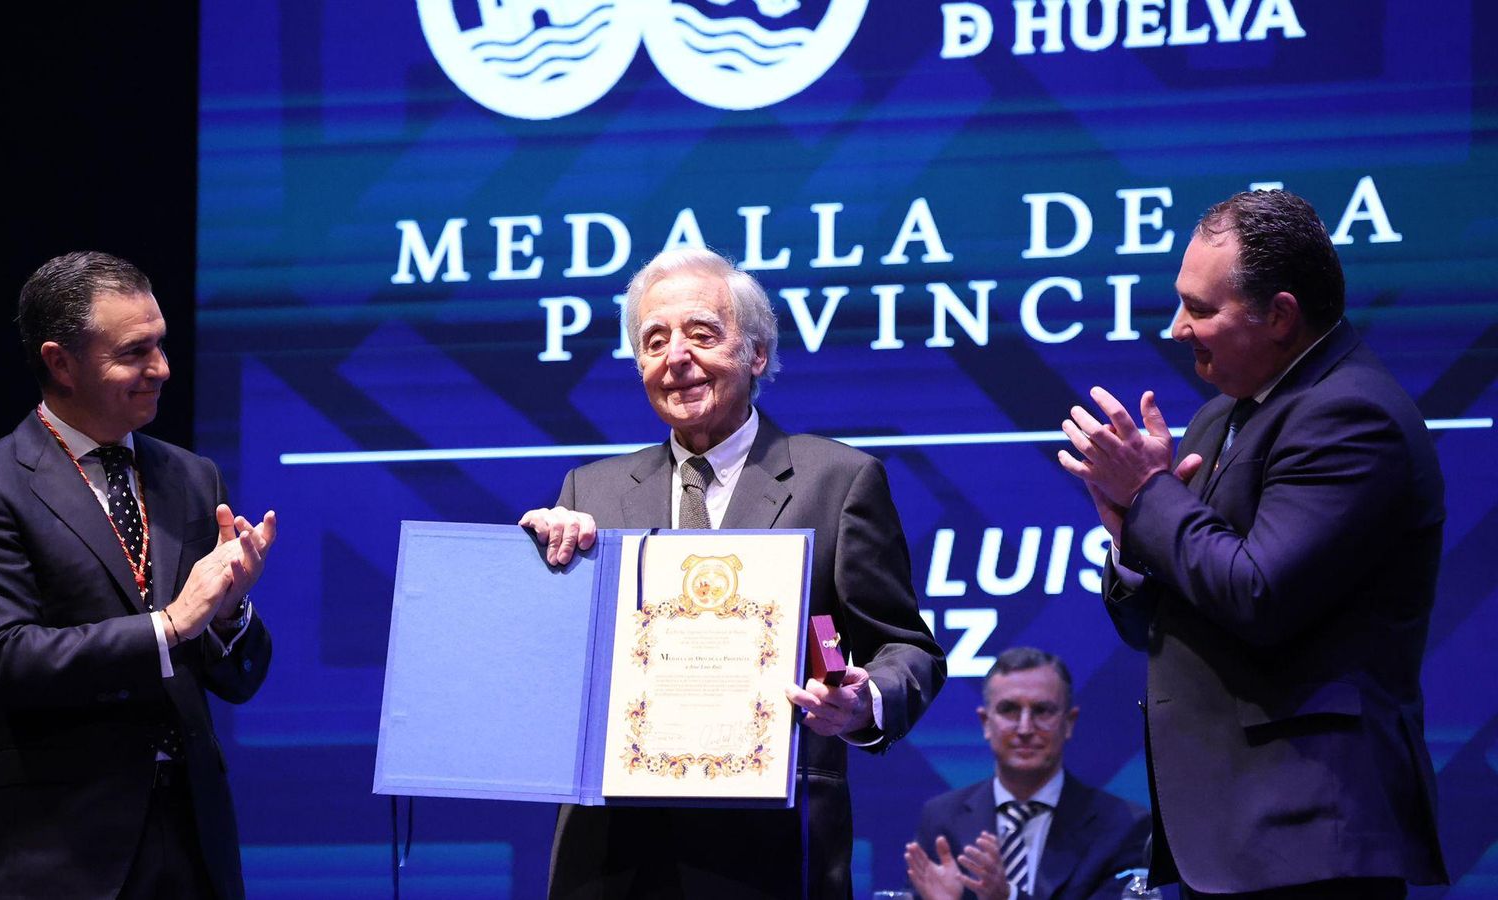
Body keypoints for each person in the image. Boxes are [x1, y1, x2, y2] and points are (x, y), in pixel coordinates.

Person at [521, 247, 946, 899]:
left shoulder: (837, 479)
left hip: (772, 848)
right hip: (611, 855)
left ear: (755, 352)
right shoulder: (589, 491)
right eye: (654, 340)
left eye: (701, 333)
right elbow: (548, 673)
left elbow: (907, 647)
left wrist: (864, 701)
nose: (675, 357)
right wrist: (542, 575)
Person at [1057, 190, 1447, 897]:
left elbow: (1258, 594)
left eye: (1201, 309)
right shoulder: (1216, 420)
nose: (1178, 329)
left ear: (1280, 315)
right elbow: (1161, 622)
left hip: (1310, 836)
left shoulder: (1352, 416)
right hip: (1226, 839)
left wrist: (1149, 495)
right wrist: (1128, 543)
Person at [0, 251, 277, 899]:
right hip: (59, 851)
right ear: (59, 361)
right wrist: (171, 624)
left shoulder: (191, 477)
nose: (162, 369)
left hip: (194, 842)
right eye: (134, 351)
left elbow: (238, 678)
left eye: (162, 345)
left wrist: (229, 613)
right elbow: (2, 663)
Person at [906, 647, 1148, 900]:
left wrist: (1008, 897)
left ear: (1069, 722)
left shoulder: (1124, 826)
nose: (1024, 728)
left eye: (1042, 710)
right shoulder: (941, 818)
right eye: (1009, 709)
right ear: (986, 723)